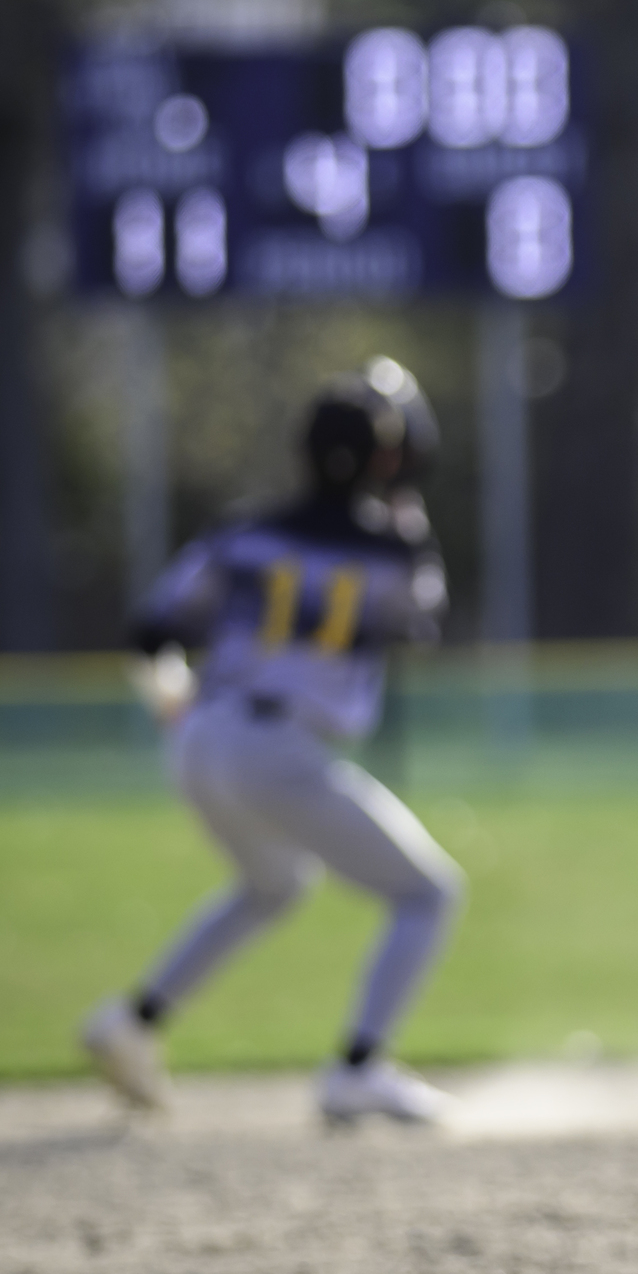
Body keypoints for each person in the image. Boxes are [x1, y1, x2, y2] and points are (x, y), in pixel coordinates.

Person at [81, 356, 464, 1125]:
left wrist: (172, 701)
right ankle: (358, 1067)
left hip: (199, 737)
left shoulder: (244, 534)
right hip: (279, 748)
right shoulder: (390, 549)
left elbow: (152, 632)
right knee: (427, 893)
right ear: (386, 460)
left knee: (273, 887)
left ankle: (133, 1023)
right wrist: (407, 519)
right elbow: (424, 622)